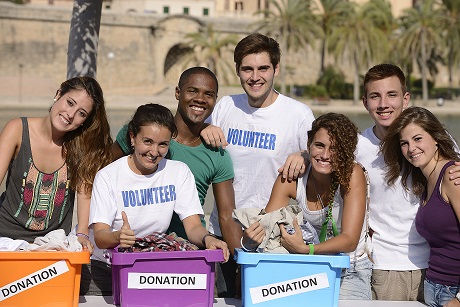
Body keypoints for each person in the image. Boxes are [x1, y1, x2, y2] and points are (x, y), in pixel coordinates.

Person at [200, 33, 316, 297]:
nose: (255, 77)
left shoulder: (298, 114)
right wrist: (203, 132)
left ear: (276, 69)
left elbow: (321, 156)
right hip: (223, 235)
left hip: (274, 241)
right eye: (247, 69)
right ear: (238, 71)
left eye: (263, 68)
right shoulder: (225, 106)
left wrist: (304, 155)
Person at [111, 67, 242, 293]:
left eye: (208, 94)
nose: (200, 99)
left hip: (187, 247)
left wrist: (241, 264)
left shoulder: (217, 154)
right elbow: (101, 171)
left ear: (215, 100)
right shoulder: (141, 134)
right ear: (177, 93)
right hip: (136, 250)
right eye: (192, 91)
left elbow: (226, 215)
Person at [88, 103, 230, 294]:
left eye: (162, 144)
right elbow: (100, 236)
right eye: (147, 141)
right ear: (132, 137)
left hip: (149, 266)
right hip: (105, 268)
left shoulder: (178, 172)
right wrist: (117, 237)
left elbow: (194, 227)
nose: (154, 152)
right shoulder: (107, 176)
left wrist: (208, 239)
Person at [243, 113, 372, 300]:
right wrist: (248, 242)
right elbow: (267, 226)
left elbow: (349, 240)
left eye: (335, 148)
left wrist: (306, 249)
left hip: (350, 268)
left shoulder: (352, 174)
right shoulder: (292, 177)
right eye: (319, 145)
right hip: (310, 266)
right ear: (309, 144)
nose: (326, 155)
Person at [0, 76, 112, 251]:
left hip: (53, 246)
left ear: (84, 121)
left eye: (81, 113)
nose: (71, 114)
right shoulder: (17, 129)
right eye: (70, 102)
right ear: (58, 94)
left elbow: (85, 194)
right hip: (6, 241)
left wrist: (82, 235)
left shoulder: (81, 147)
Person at [380, 106, 460, 307]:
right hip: (432, 288)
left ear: (436, 138)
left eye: (417, 139)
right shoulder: (426, 180)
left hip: (452, 292)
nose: (411, 148)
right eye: (404, 143)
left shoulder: (452, 177)